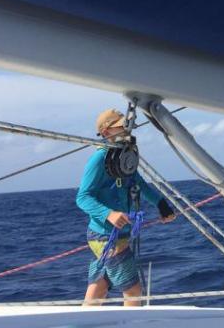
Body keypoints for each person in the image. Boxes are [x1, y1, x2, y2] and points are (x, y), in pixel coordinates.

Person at [77, 108, 176, 307]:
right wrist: (109, 214)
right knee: (133, 291)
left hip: (113, 234)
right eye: (121, 126)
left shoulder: (123, 156)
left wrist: (161, 204)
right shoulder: (99, 159)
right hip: (106, 236)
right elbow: (82, 197)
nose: (126, 129)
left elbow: (139, 183)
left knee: (100, 286)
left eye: (126, 125)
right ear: (106, 133)